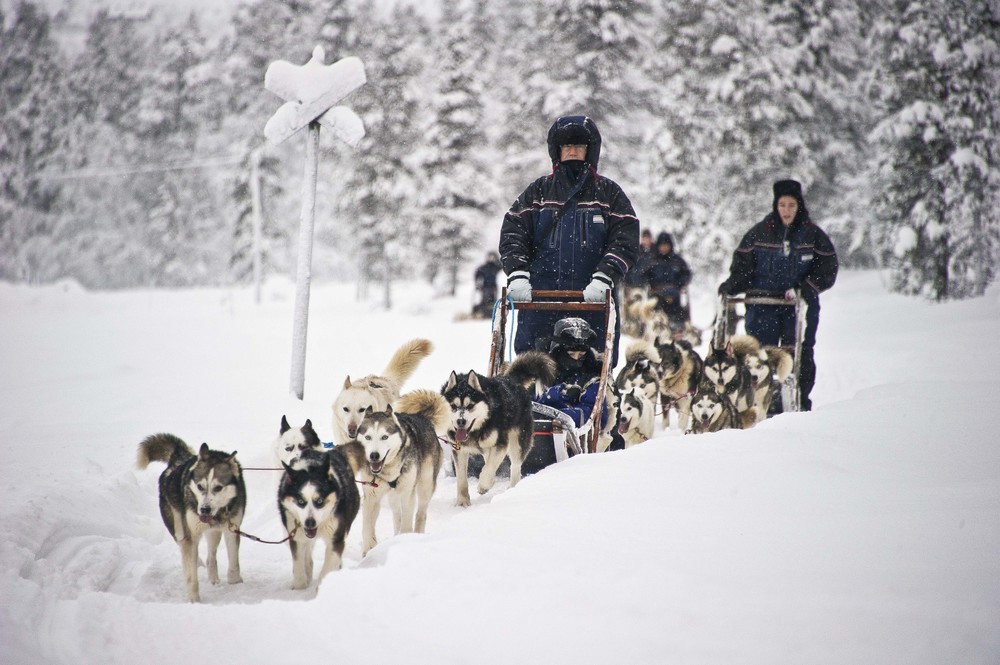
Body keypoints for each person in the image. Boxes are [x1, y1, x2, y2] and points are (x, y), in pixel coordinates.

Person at [499, 115, 640, 365]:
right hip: (541, 301)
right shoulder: (538, 192)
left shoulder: (609, 194)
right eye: (567, 146)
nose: (573, 151)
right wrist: (518, 273)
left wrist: (605, 277)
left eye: (580, 146)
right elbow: (513, 232)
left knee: (593, 370)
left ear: (590, 151)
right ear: (558, 151)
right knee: (533, 370)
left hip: (592, 299)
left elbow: (625, 238)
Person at [718, 179, 838, 411]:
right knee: (763, 354)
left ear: (799, 205)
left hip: (796, 305)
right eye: (782, 205)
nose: (786, 210)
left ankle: (800, 401)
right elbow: (743, 267)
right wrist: (731, 286)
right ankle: (765, 403)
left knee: (798, 354)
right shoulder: (759, 233)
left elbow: (828, 267)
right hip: (762, 304)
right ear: (776, 205)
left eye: (791, 205)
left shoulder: (811, 235)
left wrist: (807, 287)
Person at [536, 317, 607, 431]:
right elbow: (524, 404)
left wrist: (561, 417)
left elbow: (594, 413)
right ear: (558, 351)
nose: (576, 359)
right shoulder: (537, 373)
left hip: (572, 437)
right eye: (571, 354)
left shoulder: (591, 378)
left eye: (581, 355)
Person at [642, 231, 692, 329]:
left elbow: (686, 274)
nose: (664, 248)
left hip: (674, 292)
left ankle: (676, 325)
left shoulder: (677, 260)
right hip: (656, 293)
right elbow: (644, 276)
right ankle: (658, 323)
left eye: (666, 245)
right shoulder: (652, 260)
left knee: (674, 299)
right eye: (662, 245)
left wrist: (679, 284)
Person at [472, 251, 502, 318]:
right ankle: (484, 313)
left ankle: (491, 313)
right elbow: (477, 274)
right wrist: (477, 283)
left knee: (493, 300)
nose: (491, 259)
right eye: (489, 257)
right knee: (485, 300)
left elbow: (501, 266)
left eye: (492, 257)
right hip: (485, 287)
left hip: (493, 287)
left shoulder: (496, 266)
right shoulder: (484, 267)